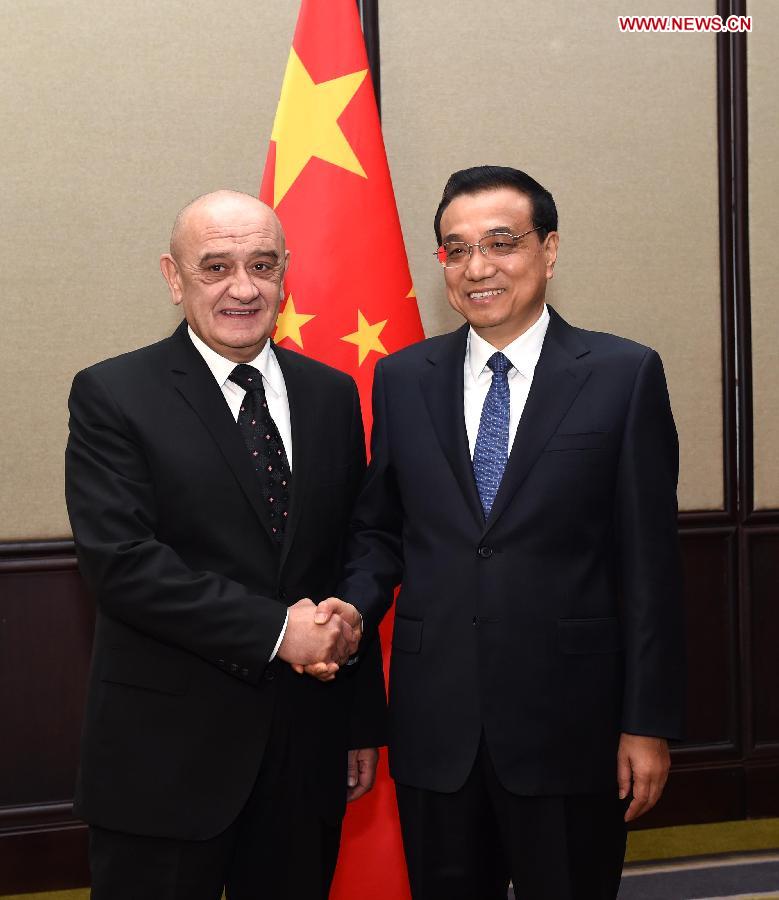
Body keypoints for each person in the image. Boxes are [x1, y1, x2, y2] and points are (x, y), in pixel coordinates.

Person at [335, 166, 686, 899]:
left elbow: (650, 568)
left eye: (501, 243)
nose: (478, 268)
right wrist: (350, 610)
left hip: (573, 727)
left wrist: (646, 723)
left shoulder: (622, 374)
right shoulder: (402, 378)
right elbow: (381, 531)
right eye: (457, 249)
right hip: (437, 730)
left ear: (548, 250)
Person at [65, 190, 386, 900]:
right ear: (173, 277)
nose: (243, 288)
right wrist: (279, 632)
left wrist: (355, 718)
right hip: (165, 760)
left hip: (306, 752)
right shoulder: (113, 394)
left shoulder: (331, 394)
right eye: (215, 267)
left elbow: (355, 545)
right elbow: (123, 564)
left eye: (262, 265)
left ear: (285, 273)